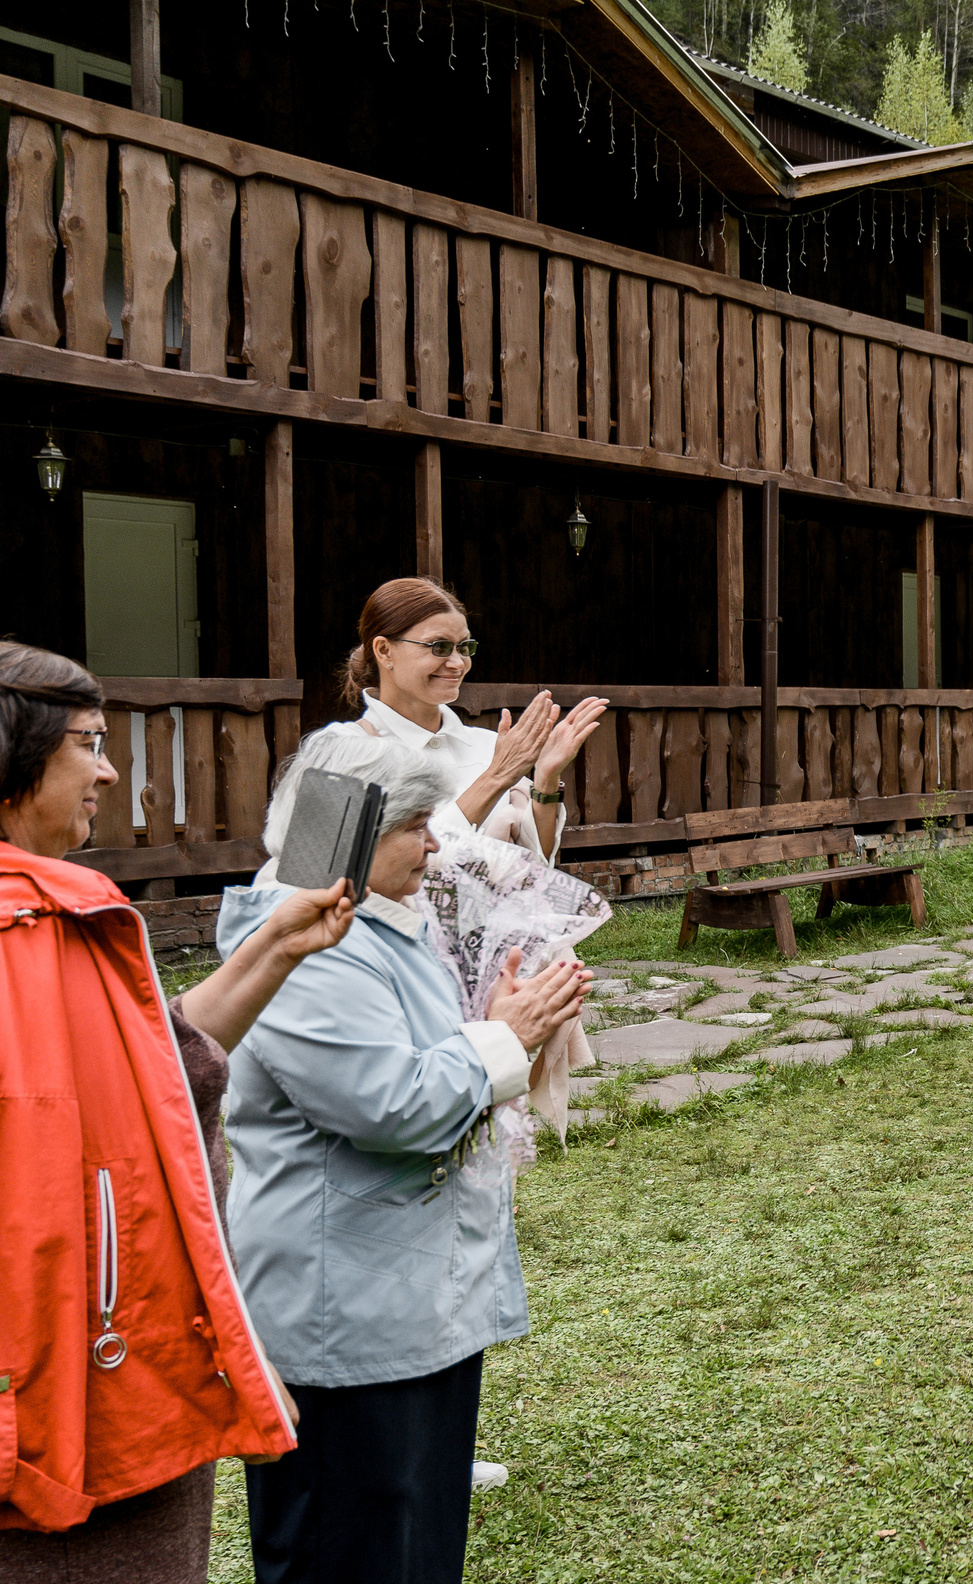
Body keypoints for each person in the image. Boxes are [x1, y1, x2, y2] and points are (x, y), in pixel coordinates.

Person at [0, 641, 354, 1581]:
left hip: (129, 1364)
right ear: (14, 754)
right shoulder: (36, 922)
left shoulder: (69, 914)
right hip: (75, 1392)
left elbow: (162, 1071)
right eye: (90, 742)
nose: (109, 769)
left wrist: (277, 948)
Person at [218, 737, 590, 1584]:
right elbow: (393, 1105)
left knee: (416, 1550)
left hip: (412, 1303)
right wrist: (509, 1033)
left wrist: (498, 1023)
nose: (435, 844)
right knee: (349, 1555)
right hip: (344, 1318)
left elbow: (435, 1064)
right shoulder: (307, 950)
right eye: (417, 825)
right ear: (352, 832)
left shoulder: (375, 926)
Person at [310, 577, 607, 866]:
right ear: (385, 651)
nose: (457, 663)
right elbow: (326, 873)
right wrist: (496, 778)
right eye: (438, 646)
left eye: (464, 647)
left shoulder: (489, 745)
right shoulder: (339, 751)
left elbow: (537, 864)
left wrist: (545, 777)